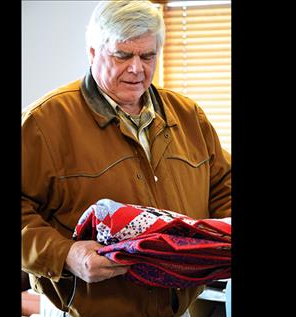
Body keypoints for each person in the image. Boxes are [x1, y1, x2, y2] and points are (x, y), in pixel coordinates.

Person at [21, 1, 231, 317]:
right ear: (93, 53)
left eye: (147, 56)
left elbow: (224, 188)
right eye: (122, 55)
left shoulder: (189, 117)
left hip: (178, 308)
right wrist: (67, 254)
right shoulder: (44, 122)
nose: (137, 68)